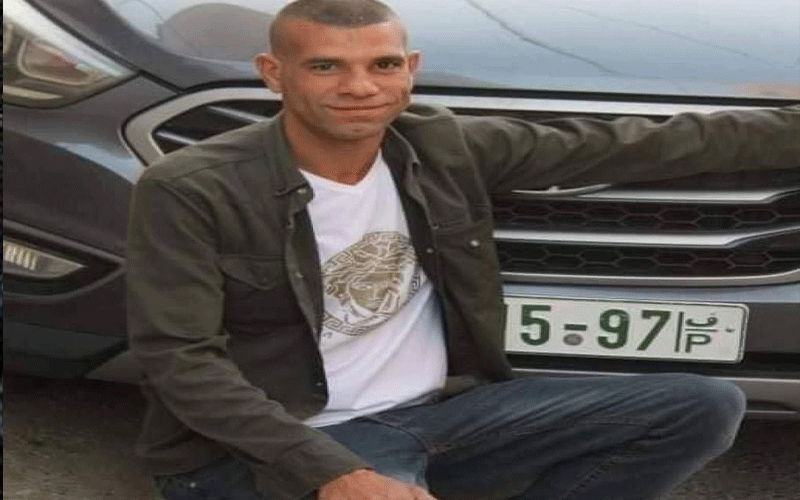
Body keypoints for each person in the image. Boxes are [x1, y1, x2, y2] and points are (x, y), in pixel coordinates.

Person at [125, 0, 800, 499]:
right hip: (276, 450)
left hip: (433, 419)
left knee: (703, 406)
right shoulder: (191, 187)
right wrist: (332, 471)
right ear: (274, 73)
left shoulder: (441, 147)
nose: (360, 87)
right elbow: (180, 362)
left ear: (409, 70)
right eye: (326, 66)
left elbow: (635, 144)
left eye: (383, 64)